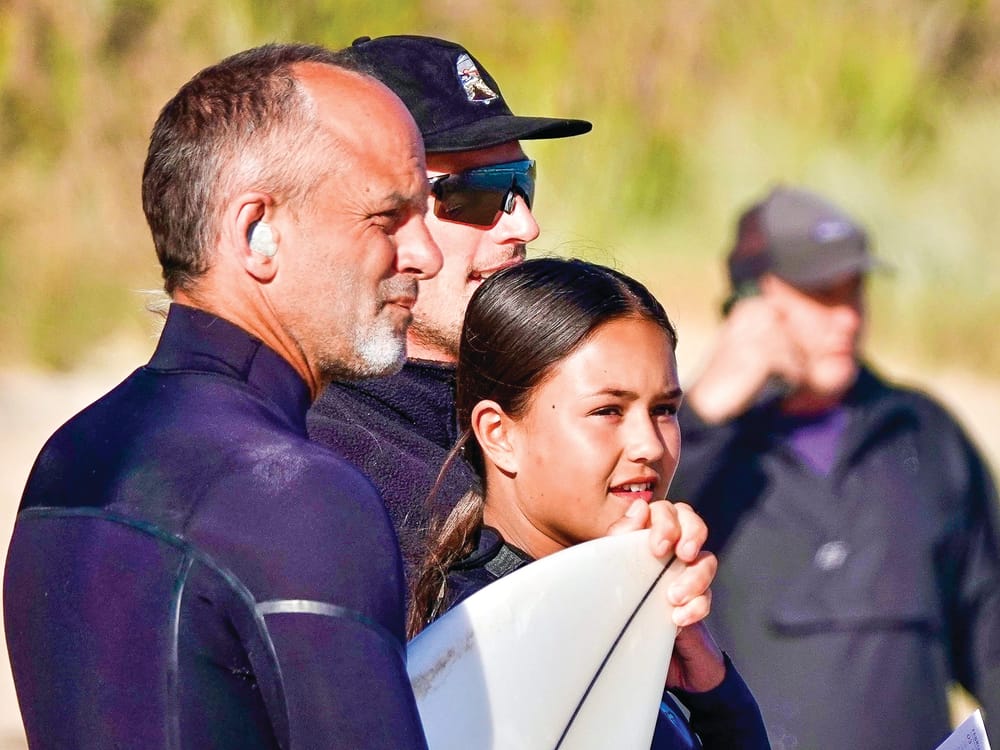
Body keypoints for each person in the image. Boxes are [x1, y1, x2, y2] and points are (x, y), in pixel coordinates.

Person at [3, 44, 443, 749]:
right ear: (255, 232)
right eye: (388, 219)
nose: (428, 255)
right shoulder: (294, 493)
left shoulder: (73, 451)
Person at [670, 185, 1000, 749]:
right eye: (822, 295)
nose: (847, 319)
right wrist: (701, 414)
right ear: (750, 303)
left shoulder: (922, 434)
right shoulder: (685, 450)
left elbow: (990, 627)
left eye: (855, 292)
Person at [410, 257, 771, 749]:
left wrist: (714, 693)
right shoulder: (469, 642)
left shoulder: (652, 631)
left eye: (664, 409)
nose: (649, 444)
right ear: (499, 434)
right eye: (608, 410)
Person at [307, 34, 592, 574]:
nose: (525, 225)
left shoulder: (553, 403)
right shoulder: (314, 458)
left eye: (521, 183)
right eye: (478, 193)